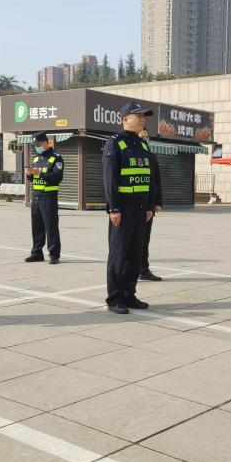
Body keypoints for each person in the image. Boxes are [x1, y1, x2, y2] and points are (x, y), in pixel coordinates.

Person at [104, 101, 155, 314]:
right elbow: (110, 178)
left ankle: (129, 294)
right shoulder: (114, 143)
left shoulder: (142, 144)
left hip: (140, 209)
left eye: (144, 116)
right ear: (125, 120)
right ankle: (115, 298)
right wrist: (113, 208)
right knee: (119, 255)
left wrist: (150, 206)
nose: (142, 119)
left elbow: (149, 178)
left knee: (135, 255)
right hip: (122, 210)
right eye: (138, 116)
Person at [24, 132, 63, 265]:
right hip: (36, 197)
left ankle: (54, 255)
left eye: (39, 144)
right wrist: (29, 175)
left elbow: (57, 178)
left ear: (46, 143)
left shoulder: (56, 158)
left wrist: (40, 174)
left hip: (49, 198)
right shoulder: (36, 159)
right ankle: (36, 253)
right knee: (37, 227)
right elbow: (34, 178)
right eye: (35, 145)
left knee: (51, 227)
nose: (37, 147)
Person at [138, 128, 164, 282]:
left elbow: (156, 181)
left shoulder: (151, 156)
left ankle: (143, 269)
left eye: (146, 137)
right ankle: (129, 270)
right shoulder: (129, 155)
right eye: (142, 137)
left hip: (148, 205)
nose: (145, 140)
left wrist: (158, 202)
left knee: (144, 239)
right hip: (132, 205)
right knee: (132, 240)